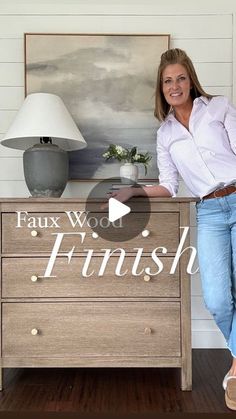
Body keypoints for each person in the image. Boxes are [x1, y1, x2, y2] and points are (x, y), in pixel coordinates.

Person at [107, 48, 236, 410]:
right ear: (161, 89)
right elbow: (170, 186)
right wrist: (134, 191)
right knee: (217, 299)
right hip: (208, 211)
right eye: (168, 81)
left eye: (180, 78)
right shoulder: (165, 134)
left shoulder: (219, 108)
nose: (175, 85)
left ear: (190, 80)